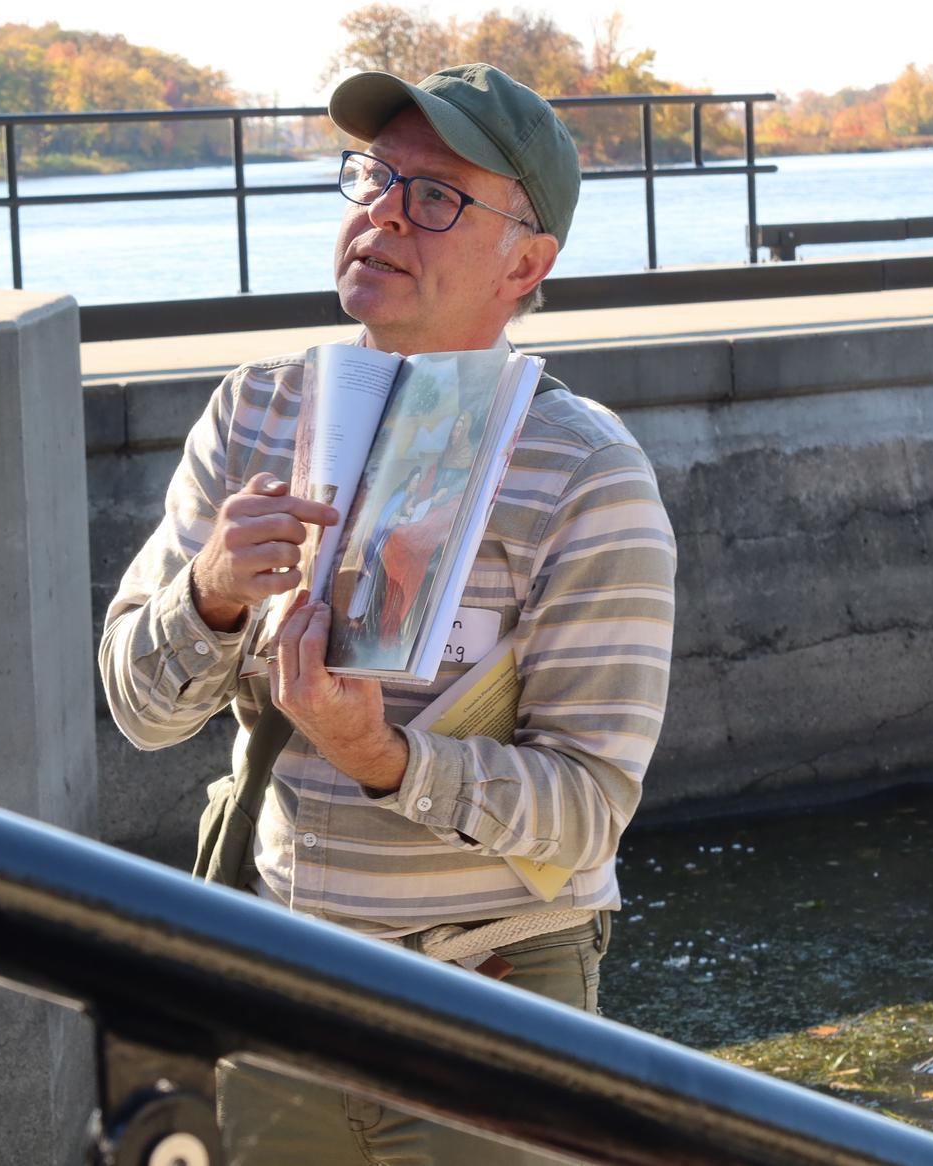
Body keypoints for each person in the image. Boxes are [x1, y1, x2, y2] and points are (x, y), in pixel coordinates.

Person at [100, 62, 676, 1164]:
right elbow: (136, 708)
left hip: (493, 991)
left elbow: (591, 809)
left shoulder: (586, 472)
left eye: (435, 196)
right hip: (281, 977)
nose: (381, 213)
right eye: (371, 177)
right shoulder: (259, 408)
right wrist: (212, 596)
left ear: (527, 262)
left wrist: (383, 757)